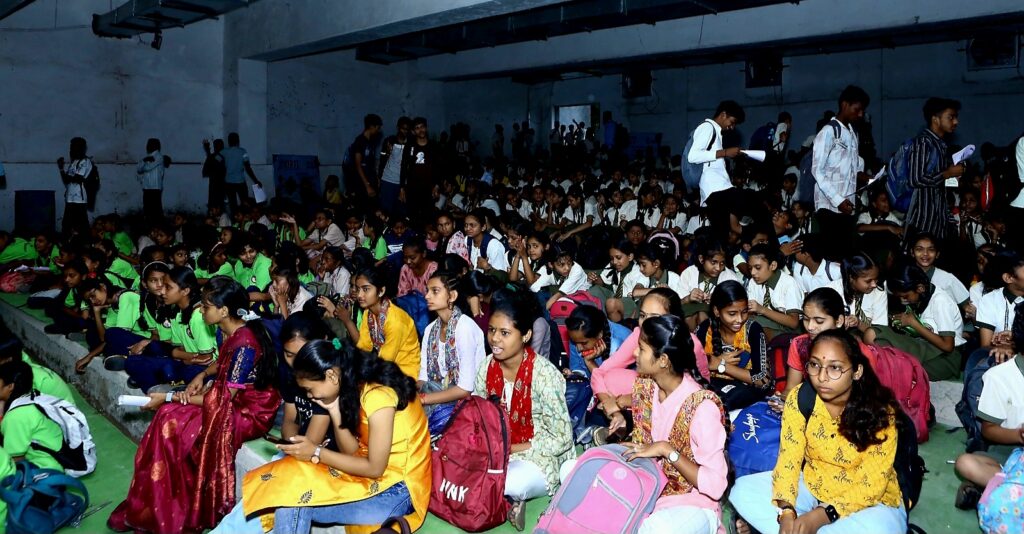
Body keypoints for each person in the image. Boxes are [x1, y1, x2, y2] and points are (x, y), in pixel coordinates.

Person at [108, 277, 281, 533]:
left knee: (171, 419)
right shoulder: (228, 330)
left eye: (206, 306)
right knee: (168, 416)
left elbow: (223, 399)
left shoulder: (246, 343)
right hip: (230, 399)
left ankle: (177, 508)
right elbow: (222, 364)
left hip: (249, 411)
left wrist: (170, 396)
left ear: (224, 311)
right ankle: (156, 505)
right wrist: (203, 375)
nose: (201, 311)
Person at [224, 339, 431, 533]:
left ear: (331, 375)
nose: (309, 396)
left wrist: (316, 452)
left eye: (309, 389)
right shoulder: (353, 385)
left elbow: (375, 468)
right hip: (374, 478)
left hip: (398, 489)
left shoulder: (377, 395)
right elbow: (353, 452)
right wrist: (333, 409)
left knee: (293, 498)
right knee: (291, 481)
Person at [730, 329, 906, 534]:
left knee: (881, 530)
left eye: (835, 368)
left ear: (857, 371)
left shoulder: (880, 412)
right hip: (816, 485)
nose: (822, 377)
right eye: (815, 365)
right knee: (742, 491)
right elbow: (789, 461)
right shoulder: (801, 398)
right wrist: (786, 511)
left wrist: (822, 515)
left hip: (867, 502)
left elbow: (872, 486)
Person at [610, 315, 728, 534]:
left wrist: (667, 450)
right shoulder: (647, 387)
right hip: (650, 488)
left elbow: (716, 486)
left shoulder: (701, 407)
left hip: (693, 502)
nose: (634, 353)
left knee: (652, 530)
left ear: (663, 360)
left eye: (641, 349)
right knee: (580, 474)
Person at [474, 289, 574, 530]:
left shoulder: (544, 375)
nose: (495, 339)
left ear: (526, 335)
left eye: (505, 333)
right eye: (492, 330)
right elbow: (478, 416)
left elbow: (561, 438)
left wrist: (511, 448)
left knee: (510, 482)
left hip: (538, 452)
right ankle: (507, 502)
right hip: (497, 449)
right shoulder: (487, 366)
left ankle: (508, 498)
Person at [952, 302, 1024, 510]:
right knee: (967, 463)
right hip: (1011, 452)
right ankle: (1007, 488)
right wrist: (1019, 435)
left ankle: (1000, 490)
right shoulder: (999, 377)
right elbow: (989, 430)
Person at [869, 263, 964, 380]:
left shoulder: (941, 302)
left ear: (920, 288)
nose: (903, 300)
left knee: (899, 366)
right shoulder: (922, 296)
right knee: (877, 334)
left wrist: (914, 323)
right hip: (924, 346)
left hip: (945, 358)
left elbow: (948, 346)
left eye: (905, 296)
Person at [418, 271, 486, 430]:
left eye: (435, 291)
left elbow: (465, 389)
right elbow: (424, 378)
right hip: (437, 398)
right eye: (427, 291)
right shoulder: (430, 330)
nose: (427, 296)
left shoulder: (465, 328)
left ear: (452, 296)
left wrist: (424, 399)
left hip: (468, 405)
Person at [324, 267, 420, 379]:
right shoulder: (368, 313)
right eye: (358, 289)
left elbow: (386, 360)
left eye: (366, 289)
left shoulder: (395, 320)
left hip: (405, 373)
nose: (359, 295)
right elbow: (364, 346)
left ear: (381, 291)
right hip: (385, 366)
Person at [695, 281, 772, 410]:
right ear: (717, 311)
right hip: (711, 386)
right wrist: (714, 362)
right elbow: (687, 366)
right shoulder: (704, 329)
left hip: (743, 392)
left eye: (744, 312)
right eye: (732, 314)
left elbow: (763, 381)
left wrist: (721, 365)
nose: (740, 319)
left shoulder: (753, 330)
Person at [812, 85, 872, 241]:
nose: (860, 114)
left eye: (862, 111)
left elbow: (853, 167)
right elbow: (817, 171)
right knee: (832, 250)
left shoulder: (852, 133)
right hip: (829, 207)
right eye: (857, 109)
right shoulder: (828, 132)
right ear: (845, 105)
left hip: (847, 205)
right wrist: (838, 200)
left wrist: (864, 177)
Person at [904, 97, 965, 243]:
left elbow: (939, 184)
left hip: (937, 219)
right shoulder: (923, 142)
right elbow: (916, 179)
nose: (956, 122)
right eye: (951, 117)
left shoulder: (940, 145)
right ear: (935, 119)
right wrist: (947, 173)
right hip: (923, 219)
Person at [0, 361, 67, 472]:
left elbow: (15, 460)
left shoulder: (15, 417)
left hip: (45, 468)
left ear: (10, 386)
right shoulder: (33, 396)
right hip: (57, 457)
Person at [687, 100, 746, 206]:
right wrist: (725, 152)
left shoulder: (716, 132)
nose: (732, 127)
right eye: (732, 122)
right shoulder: (707, 127)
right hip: (714, 187)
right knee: (750, 200)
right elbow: (693, 156)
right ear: (723, 115)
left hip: (719, 186)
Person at [745, 243, 803, 337]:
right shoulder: (753, 282)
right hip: (765, 322)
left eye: (758, 267)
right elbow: (751, 313)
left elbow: (793, 323)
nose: (753, 272)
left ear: (773, 265)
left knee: (757, 325)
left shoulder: (789, 283)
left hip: (789, 330)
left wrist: (762, 310)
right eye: (750, 268)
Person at [401, 117, 438, 224]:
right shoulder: (409, 146)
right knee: (413, 217)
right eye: (417, 128)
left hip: (429, 189)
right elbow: (403, 167)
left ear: (426, 128)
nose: (420, 130)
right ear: (413, 131)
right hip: (412, 189)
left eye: (422, 127)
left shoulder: (433, 146)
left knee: (428, 218)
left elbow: (438, 167)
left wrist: (437, 186)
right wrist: (402, 188)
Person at [343, 113, 383, 204]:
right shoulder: (359, 141)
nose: (378, 131)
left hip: (370, 180)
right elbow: (358, 165)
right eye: (378, 128)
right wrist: (367, 186)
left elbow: (370, 164)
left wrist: (376, 179)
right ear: (372, 126)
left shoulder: (371, 142)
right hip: (361, 184)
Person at [58, 136, 93, 236]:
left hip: (79, 199)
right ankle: (66, 242)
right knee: (66, 224)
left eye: (73, 147)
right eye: (71, 148)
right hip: (70, 199)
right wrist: (61, 169)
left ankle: (86, 242)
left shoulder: (85, 162)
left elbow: (78, 178)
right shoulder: (74, 162)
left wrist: (69, 177)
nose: (71, 150)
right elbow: (66, 180)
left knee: (82, 225)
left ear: (81, 149)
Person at [221, 132, 263, 215]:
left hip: (228, 182)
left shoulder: (224, 152)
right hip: (240, 182)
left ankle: (235, 219)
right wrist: (255, 180)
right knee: (245, 202)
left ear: (229, 141)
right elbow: (248, 167)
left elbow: (217, 163)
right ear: (238, 141)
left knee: (233, 204)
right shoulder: (243, 152)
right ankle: (245, 218)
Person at [379, 116, 411, 214]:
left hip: (403, 183)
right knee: (386, 211)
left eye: (407, 129)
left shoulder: (411, 143)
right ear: (398, 127)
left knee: (402, 212)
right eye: (403, 128)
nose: (405, 131)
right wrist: (379, 178)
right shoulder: (389, 141)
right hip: (388, 180)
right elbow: (382, 160)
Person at [137, 138, 168, 223]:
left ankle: (158, 225)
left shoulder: (159, 157)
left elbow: (148, 168)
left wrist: (144, 162)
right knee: (147, 209)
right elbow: (138, 169)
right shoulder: (147, 157)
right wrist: (144, 160)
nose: (148, 146)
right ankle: (149, 225)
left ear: (156, 146)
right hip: (146, 186)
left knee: (156, 209)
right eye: (148, 144)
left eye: (150, 144)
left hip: (155, 186)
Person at [202, 138, 227, 210]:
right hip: (218, 183)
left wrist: (208, 151)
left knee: (216, 203)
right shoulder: (221, 156)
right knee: (217, 203)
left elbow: (216, 160)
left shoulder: (219, 156)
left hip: (217, 183)